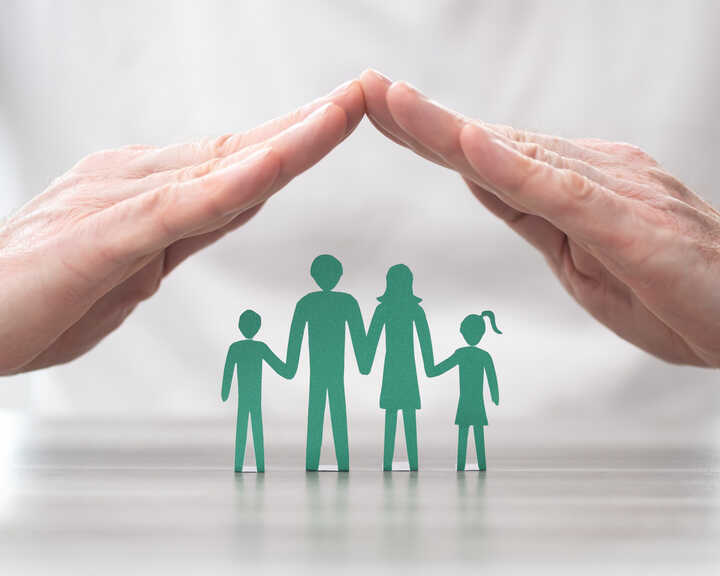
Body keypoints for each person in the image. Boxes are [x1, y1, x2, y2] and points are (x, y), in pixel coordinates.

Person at [1, 72, 719, 378]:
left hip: (655, 499)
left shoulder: (338, 305)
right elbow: (364, 343)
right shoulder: (341, 306)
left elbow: (370, 342)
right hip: (112, 503)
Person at [284, 255, 366, 471]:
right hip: (331, 372)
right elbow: (360, 339)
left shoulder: (307, 303)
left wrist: (289, 367)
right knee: (336, 413)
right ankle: (340, 463)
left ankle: (319, 463)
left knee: (319, 413)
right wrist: (364, 363)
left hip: (321, 372)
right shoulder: (347, 302)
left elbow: (295, 339)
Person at [362, 264, 435, 471]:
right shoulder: (413, 309)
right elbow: (425, 343)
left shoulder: (385, 309)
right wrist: (431, 367)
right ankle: (406, 463)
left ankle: (392, 463)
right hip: (404, 368)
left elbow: (370, 341)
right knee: (403, 414)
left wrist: (365, 364)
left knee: (393, 415)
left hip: (394, 368)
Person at [221, 309, 292, 472]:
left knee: (243, 429)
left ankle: (242, 465)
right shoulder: (260, 347)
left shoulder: (236, 348)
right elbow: (279, 366)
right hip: (254, 397)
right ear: (257, 327)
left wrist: (225, 392)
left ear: (240, 326)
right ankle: (258, 465)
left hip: (246, 397)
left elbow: (228, 371)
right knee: (256, 429)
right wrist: (289, 369)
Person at [429, 312, 502, 471]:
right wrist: (495, 396)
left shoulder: (462, 354)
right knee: (477, 433)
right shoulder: (484, 355)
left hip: (465, 403)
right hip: (476, 403)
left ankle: (463, 465)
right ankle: (479, 464)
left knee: (464, 434)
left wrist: (431, 370)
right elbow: (492, 378)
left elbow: (442, 367)